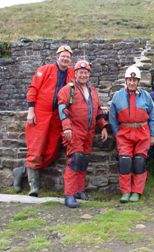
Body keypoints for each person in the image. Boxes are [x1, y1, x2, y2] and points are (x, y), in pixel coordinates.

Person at [13, 45, 75, 196]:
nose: (65, 58)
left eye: (68, 56)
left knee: (52, 151)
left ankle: (21, 170)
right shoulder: (45, 69)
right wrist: (31, 110)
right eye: (63, 56)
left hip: (57, 116)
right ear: (57, 56)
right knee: (36, 148)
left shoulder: (72, 73)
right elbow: (33, 89)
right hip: (40, 112)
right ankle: (34, 187)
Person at [58, 60, 108, 208]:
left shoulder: (92, 91)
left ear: (89, 74)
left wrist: (103, 126)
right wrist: (67, 127)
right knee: (75, 160)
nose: (83, 75)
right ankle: (69, 195)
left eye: (86, 72)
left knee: (83, 161)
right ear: (76, 73)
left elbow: (97, 111)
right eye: (81, 72)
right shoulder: (68, 90)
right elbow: (63, 110)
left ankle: (79, 191)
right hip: (74, 131)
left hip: (89, 132)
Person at [109, 65, 154, 203]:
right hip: (125, 133)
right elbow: (112, 118)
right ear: (126, 80)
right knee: (125, 161)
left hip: (142, 132)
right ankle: (125, 191)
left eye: (134, 80)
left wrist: (152, 135)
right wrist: (118, 133)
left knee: (139, 161)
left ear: (138, 82)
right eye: (129, 79)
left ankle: (136, 191)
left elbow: (153, 116)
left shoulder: (146, 96)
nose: (131, 82)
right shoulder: (118, 96)